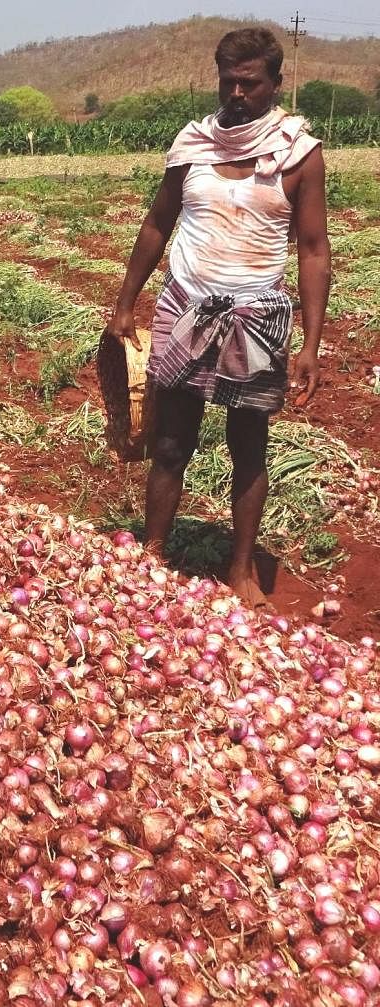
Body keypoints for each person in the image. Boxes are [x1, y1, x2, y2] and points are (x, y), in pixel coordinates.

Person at [103, 27, 330, 609]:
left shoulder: (297, 152)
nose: (235, 93)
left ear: (275, 83)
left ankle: (240, 567)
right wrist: (127, 301)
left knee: (248, 443)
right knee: (171, 439)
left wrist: (311, 342)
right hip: (186, 308)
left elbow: (312, 250)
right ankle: (153, 554)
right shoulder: (194, 144)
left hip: (256, 313)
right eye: (227, 80)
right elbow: (158, 223)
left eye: (249, 83)